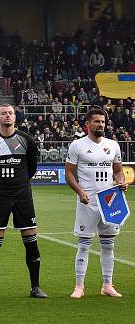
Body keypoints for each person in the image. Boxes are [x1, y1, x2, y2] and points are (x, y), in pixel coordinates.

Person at [0, 104, 47, 298]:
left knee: (31, 242)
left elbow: (32, 168)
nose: (7, 116)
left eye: (10, 113)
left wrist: (20, 185)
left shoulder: (27, 141)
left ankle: (35, 287)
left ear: (15, 117)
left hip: (23, 197)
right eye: (3, 113)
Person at [65, 109, 128, 298]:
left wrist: (120, 181)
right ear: (87, 124)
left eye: (103, 122)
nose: (101, 125)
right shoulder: (77, 146)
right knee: (84, 244)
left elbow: (117, 171)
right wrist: (80, 191)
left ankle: (107, 285)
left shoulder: (113, 145)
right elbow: (69, 173)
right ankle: (79, 286)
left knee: (108, 245)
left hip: (109, 201)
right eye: (97, 121)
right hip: (88, 201)